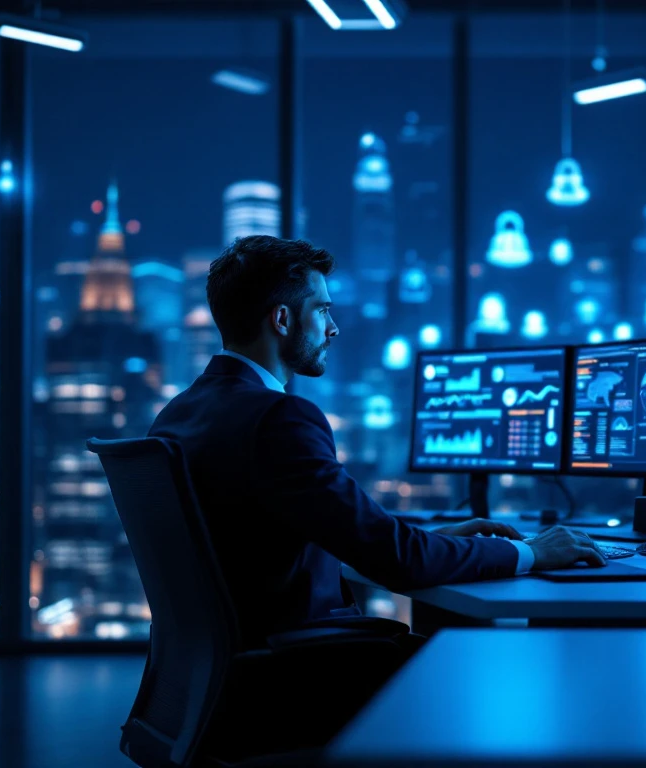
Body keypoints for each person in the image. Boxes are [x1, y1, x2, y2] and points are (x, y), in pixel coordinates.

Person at [149, 235, 606, 648]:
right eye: (323, 309)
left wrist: (421, 541)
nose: (334, 328)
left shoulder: (178, 414)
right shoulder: (278, 417)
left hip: (236, 666)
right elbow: (397, 562)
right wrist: (531, 551)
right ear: (283, 319)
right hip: (297, 670)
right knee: (474, 664)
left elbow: (272, 544)